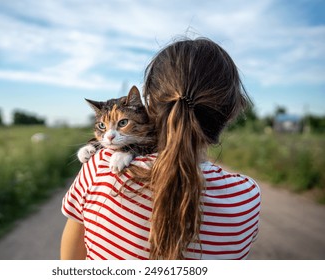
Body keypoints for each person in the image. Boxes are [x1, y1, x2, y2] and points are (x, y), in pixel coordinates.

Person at [60, 37, 261, 260]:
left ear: (149, 105)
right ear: (231, 111)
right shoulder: (248, 197)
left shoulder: (101, 167)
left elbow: (71, 261)